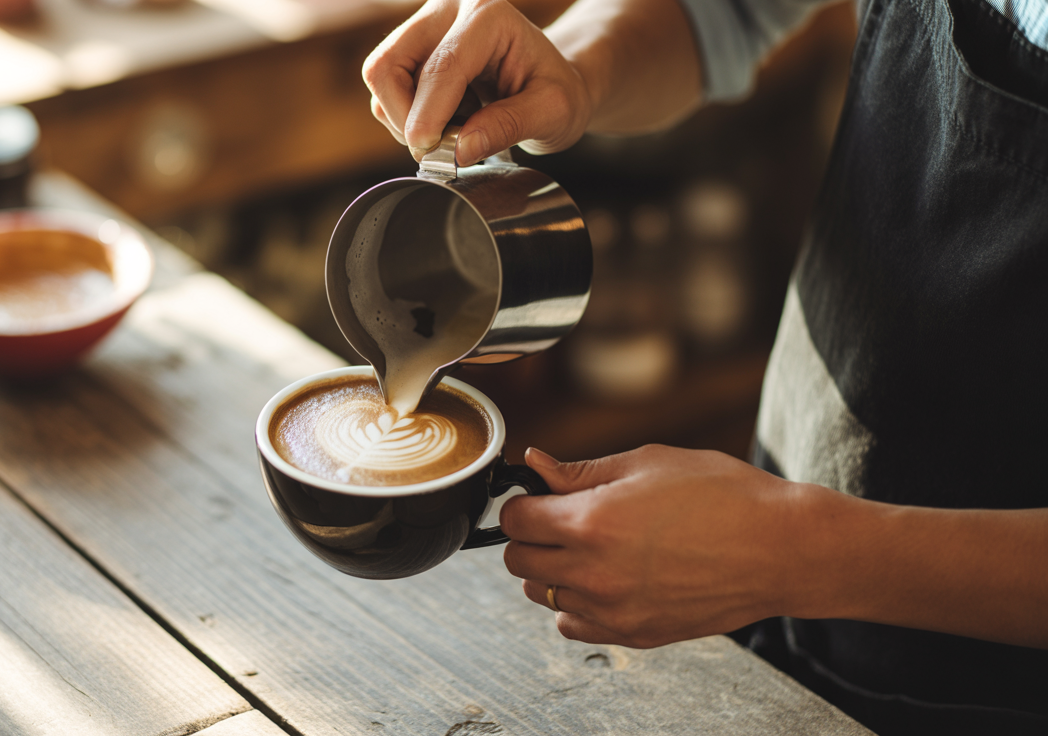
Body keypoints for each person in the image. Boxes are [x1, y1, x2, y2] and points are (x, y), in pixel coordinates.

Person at [361, 0, 1048, 733]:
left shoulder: (792, 554)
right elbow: (725, 12)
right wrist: (575, 72)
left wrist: (799, 551)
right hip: (800, 551)